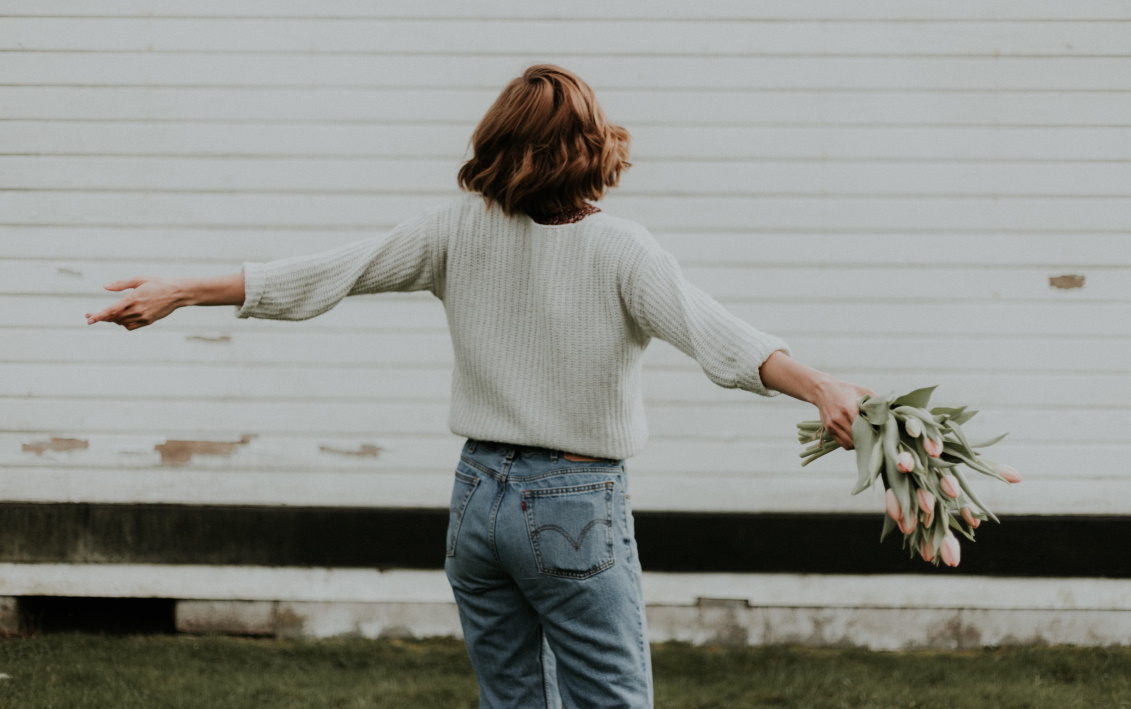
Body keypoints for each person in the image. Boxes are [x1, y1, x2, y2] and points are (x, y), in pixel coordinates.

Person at [85, 64, 873, 708]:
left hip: (476, 501)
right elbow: (721, 337)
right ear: (592, 147)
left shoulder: (454, 230)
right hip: (573, 506)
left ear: (498, 145)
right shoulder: (623, 251)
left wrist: (182, 289)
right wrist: (819, 385)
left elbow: (328, 274)